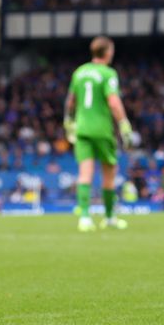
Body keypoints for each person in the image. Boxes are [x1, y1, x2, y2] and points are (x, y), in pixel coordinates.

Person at [64, 36, 134, 232]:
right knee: (109, 175)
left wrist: (68, 120)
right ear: (108, 52)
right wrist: (124, 124)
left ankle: (85, 218)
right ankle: (110, 217)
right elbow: (113, 101)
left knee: (84, 174)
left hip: (82, 129)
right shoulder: (108, 73)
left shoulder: (80, 72)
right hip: (102, 129)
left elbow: (71, 100)